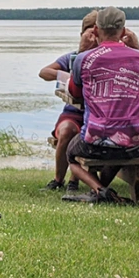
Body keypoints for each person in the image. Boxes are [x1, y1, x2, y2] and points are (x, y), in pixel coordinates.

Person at [61, 6, 139, 204]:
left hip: (94, 142)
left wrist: (82, 50)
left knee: (71, 154)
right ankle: (101, 191)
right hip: (133, 144)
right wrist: (137, 47)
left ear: (95, 30)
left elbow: (75, 92)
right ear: (124, 30)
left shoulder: (84, 59)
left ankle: (100, 189)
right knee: (118, 149)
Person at [38, 10, 98, 192]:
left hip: (98, 114)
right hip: (73, 113)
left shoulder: (106, 59)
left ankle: (75, 180)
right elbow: (44, 72)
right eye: (89, 33)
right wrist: (68, 75)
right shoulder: (72, 58)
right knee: (67, 132)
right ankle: (58, 179)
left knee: (89, 134)